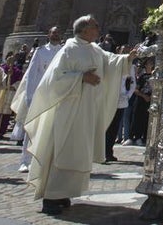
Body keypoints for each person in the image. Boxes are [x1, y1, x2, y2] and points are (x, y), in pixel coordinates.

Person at [24, 15, 140, 215]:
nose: (98, 28)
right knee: (61, 150)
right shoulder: (69, 49)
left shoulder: (94, 49)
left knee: (76, 151)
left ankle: (64, 192)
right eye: (95, 26)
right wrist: (81, 77)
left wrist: (127, 58)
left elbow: (110, 62)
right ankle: (51, 196)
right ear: (85, 30)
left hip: (85, 111)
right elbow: (54, 79)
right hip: (68, 111)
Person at [11, 25, 63, 173]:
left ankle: (44, 161)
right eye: (53, 32)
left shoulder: (64, 52)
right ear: (48, 34)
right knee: (32, 130)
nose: (55, 35)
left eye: (58, 33)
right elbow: (31, 74)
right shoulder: (40, 52)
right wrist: (29, 97)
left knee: (51, 130)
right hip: (39, 96)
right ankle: (25, 161)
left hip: (56, 97)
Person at [104, 53, 136, 162]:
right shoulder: (111, 66)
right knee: (106, 126)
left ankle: (109, 151)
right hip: (108, 99)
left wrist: (127, 96)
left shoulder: (130, 67)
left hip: (121, 100)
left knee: (114, 127)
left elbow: (132, 83)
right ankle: (103, 151)